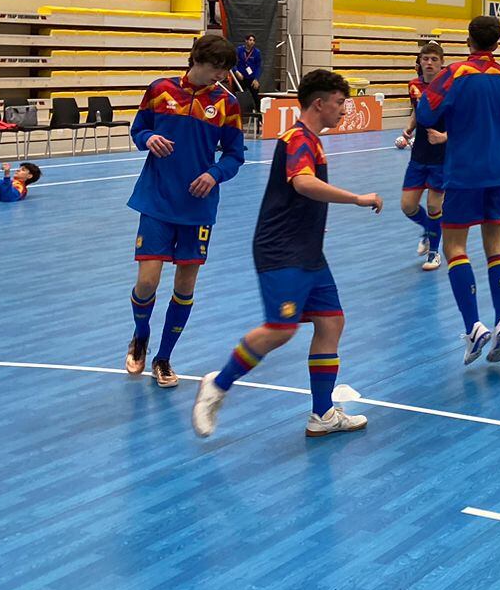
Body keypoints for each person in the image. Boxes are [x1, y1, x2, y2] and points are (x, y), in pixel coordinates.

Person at [191, 69, 382, 439]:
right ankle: (218, 384)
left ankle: (323, 414)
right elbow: (303, 182)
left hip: (308, 249)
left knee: (331, 322)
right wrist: (357, 198)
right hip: (282, 251)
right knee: (281, 329)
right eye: (340, 102)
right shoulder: (298, 139)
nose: (344, 110)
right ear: (319, 103)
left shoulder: (312, 140)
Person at [415, 15, 500, 365]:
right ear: (497, 43)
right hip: (499, 173)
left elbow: (425, 112)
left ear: (468, 40)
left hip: (462, 173)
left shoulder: (453, 74)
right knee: (495, 245)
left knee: (456, 247)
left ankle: (474, 327)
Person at [124, 34, 245, 388]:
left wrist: (214, 173)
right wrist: (147, 139)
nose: (219, 77)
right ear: (195, 60)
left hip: (198, 207)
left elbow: (235, 154)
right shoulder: (160, 90)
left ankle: (164, 358)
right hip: (157, 200)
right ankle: (141, 334)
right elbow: (138, 128)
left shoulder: (228, 103)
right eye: (214, 68)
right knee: (147, 280)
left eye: (224, 71)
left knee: (185, 284)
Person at [397, 42, 448, 272]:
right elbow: (418, 112)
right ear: (420, 62)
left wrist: (445, 136)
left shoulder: (450, 87)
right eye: (425, 58)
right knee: (407, 206)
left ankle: (435, 253)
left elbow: (462, 119)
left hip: (442, 156)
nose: (429, 63)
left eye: (434, 59)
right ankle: (429, 230)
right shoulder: (413, 86)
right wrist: (409, 128)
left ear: (441, 63)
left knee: (433, 204)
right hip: (419, 155)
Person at [234, 35, 263, 116]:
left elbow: (258, 66)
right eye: (250, 40)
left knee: (256, 98)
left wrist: (256, 79)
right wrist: (236, 72)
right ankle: (237, 116)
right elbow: (233, 62)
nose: (252, 42)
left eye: (253, 40)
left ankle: (259, 118)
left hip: (251, 78)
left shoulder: (257, 52)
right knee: (238, 96)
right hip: (241, 78)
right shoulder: (239, 50)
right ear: (246, 41)